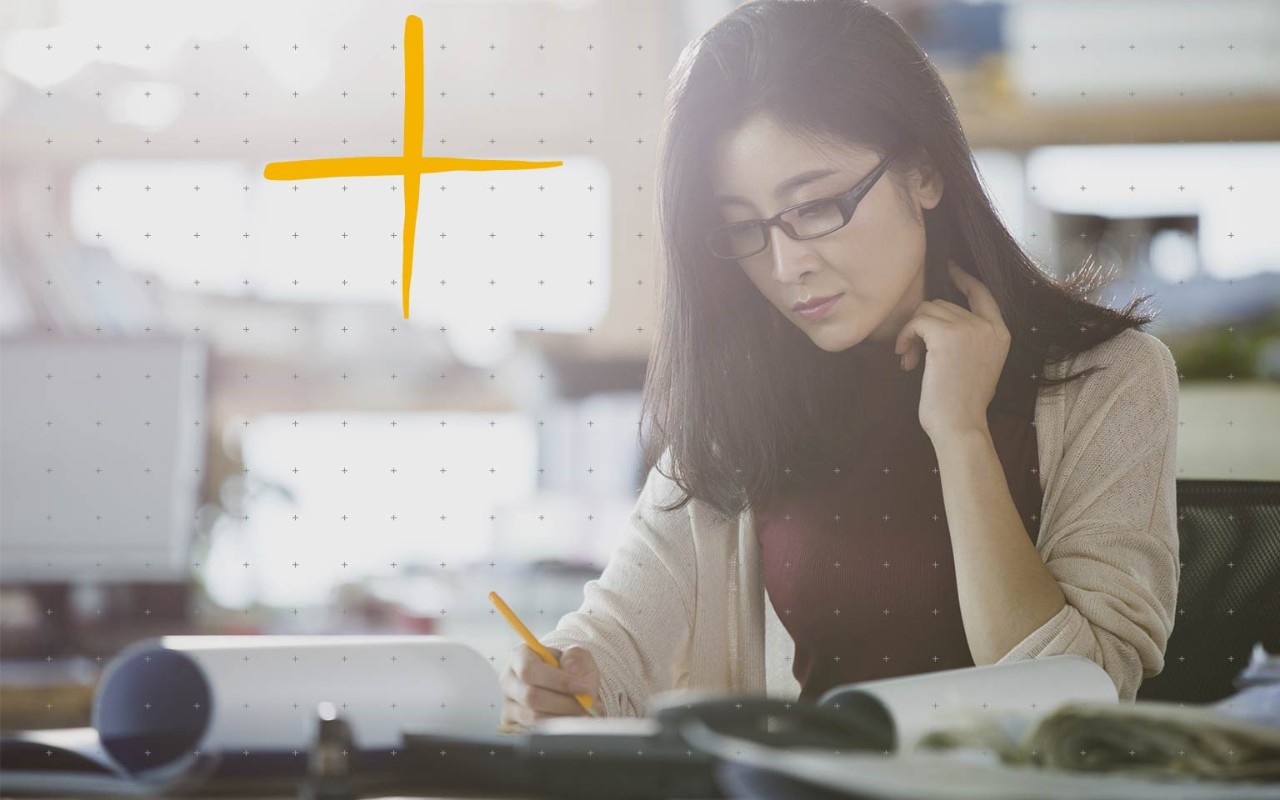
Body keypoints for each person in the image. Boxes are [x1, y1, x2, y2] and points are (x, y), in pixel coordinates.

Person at [499, 0, 1180, 725]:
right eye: (744, 229)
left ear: (923, 170)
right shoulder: (745, 396)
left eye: (817, 206)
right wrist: (557, 681)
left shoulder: (1111, 377)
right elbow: (612, 646)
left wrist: (961, 434)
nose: (787, 265)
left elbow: (1085, 699)